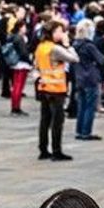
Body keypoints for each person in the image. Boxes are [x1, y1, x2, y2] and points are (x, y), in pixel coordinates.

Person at [33, 21, 77, 161]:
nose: (62, 33)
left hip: (44, 86)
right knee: (57, 121)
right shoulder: (55, 49)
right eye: (60, 31)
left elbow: (37, 65)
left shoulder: (41, 47)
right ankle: (57, 150)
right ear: (52, 33)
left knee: (44, 120)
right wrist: (67, 44)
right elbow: (74, 59)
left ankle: (43, 149)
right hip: (56, 88)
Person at [72, 19, 104, 141]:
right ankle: (86, 131)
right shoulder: (89, 46)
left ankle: (79, 130)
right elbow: (101, 60)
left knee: (81, 104)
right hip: (90, 76)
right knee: (90, 106)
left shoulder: (75, 44)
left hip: (79, 76)